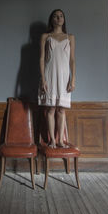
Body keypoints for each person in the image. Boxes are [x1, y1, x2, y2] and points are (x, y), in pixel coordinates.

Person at [38, 9, 76, 148]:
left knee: (61, 109)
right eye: (55, 16)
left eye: (61, 16)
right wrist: (43, 79)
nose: (58, 18)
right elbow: (42, 59)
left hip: (64, 77)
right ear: (51, 19)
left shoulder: (70, 37)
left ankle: (60, 140)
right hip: (49, 75)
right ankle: (52, 140)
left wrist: (73, 79)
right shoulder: (45, 36)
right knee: (51, 109)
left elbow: (72, 60)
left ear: (64, 19)